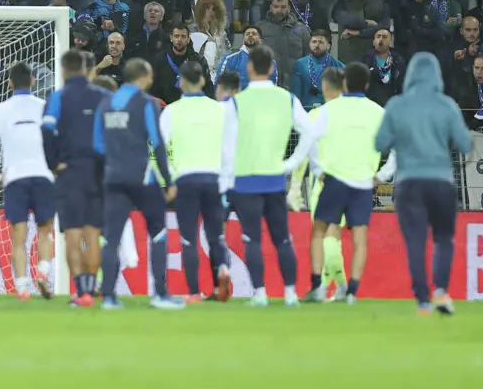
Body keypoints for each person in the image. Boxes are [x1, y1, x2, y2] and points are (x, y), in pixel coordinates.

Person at [375, 52, 472, 315]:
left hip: (409, 183)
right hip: (442, 182)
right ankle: (441, 292)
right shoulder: (447, 105)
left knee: (416, 242)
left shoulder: (396, 105)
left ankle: (422, 301)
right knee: (443, 239)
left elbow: (379, 144)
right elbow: (465, 144)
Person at [284, 63, 386, 304]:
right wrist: (380, 174)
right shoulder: (376, 111)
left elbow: (304, 152)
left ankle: (330, 286)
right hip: (361, 181)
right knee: (342, 237)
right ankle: (343, 288)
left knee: (325, 234)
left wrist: (295, 185)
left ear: (325, 87)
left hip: (327, 181)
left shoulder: (321, 113)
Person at [220, 44, 310, 307]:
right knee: (282, 238)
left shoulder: (235, 103)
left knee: (252, 239)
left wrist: (226, 181)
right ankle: (291, 293)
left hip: (245, 180)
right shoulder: (288, 99)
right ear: (272, 68)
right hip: (274, 179)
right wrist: (290, 163)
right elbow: (310, 132)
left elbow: (227, 147)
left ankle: (260, 294)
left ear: (249, 68)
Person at [94, 58, 182, 310]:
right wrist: (168, 179)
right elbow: (157, 142)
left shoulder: (106, 103)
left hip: (112, 177)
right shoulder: (146, 104)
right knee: (158, 231)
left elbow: (98, 146)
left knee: (111, 238)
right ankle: (160, 294)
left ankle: (109, 297)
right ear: (143, 75)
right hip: (141, 178)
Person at [0, 62, 56, 301]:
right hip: (43, 175)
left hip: (15, 178)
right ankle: (42, 271)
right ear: (33, 81)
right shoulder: (44, 107)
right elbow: (57, 139)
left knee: (18, 236)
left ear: (10, 83)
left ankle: (22, 287)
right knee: (45, 232)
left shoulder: (0, 109)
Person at [159, 59, 232, 302]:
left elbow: (160, 149)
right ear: (202, 80)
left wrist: (169, 180)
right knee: (215, 236)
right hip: (214, 178)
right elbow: (229, 149)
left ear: (180, 83)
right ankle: (222, 270)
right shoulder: (219, 109)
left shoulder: (171, 111)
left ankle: (193, 293)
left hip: (186, 180)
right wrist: (226, 179)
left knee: (188, 237)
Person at [42, 49, 108, 306]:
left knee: (72, 234)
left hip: (69, 171)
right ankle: (91, 289)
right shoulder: (103, 96)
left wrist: (52, 163)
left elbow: (46, 131)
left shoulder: (58, 97)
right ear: (84, 69)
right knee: (92, 233)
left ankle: (80, 292)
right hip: (98, 170)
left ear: (63, 70)